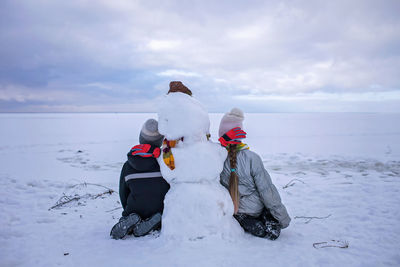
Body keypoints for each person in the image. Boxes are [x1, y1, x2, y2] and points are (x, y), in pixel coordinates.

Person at [218, 108, 291, 240]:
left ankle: (253, 225)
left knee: (246, 219)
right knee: (268, 216)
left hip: (237, 210)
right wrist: (283, 218)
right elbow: (267, 190)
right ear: (240, 135)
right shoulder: (252, 158)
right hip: (256, 206)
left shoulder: (217, 159)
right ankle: (268, 219)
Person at [110, 119, 170, 239]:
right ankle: (154, 221)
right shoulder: (164, 163)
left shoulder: (128, 165)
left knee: (132, 210)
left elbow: (123, 192)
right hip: (158, 207)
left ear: (141, 138)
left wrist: (127, 209)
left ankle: (129, 219)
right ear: (160, 141)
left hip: (135, 207)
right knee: (158, 211)